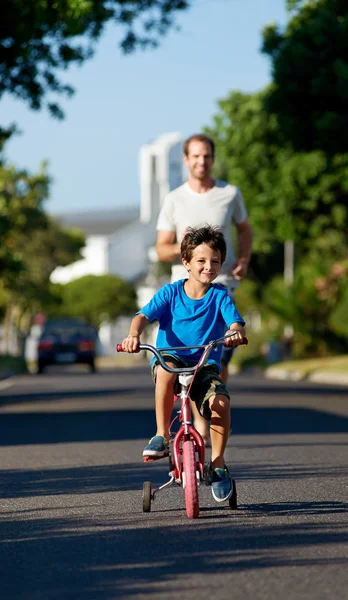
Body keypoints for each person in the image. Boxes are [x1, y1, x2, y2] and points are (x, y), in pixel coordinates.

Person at [122, 225, 246, 502]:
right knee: (165, 373)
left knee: (220, 402)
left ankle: (217, 464)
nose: (208, 267)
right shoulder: (170, 293)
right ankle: (161, 435)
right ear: (186, 262)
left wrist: (235, 332)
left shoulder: (220, 296)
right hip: (171, 356)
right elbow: (142, 317)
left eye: (215, 261)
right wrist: (134, 335)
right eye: (201, 261)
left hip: (204, 362)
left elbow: (235, 321)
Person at [155, 133, 252, 441]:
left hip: (221, 285)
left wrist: (245, 259)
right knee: (181, 359)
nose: (201, 161)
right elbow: (161, 249)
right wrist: (184, 247)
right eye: (195, 156)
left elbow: (245, 229)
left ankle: (210, 409)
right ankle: (192, 424)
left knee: (217, 357)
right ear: (186, 160)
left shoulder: (230, 193)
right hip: (185, 292)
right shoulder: (174, 199)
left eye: (206, 156)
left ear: (213, 158)